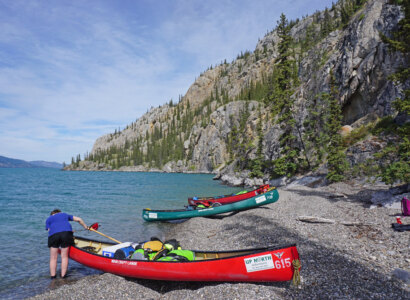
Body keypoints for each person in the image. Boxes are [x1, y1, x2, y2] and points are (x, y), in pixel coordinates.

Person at [45, 209, 88, 279]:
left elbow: (50, 230)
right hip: (66, 234)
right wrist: (85, 227)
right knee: (64, 256)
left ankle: (53, 277)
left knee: (53, 258)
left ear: (52, 214)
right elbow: (79, 219)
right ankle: (63, 276)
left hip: (54, 236)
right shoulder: (64, 215)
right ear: (60, 212)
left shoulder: (48, 219)